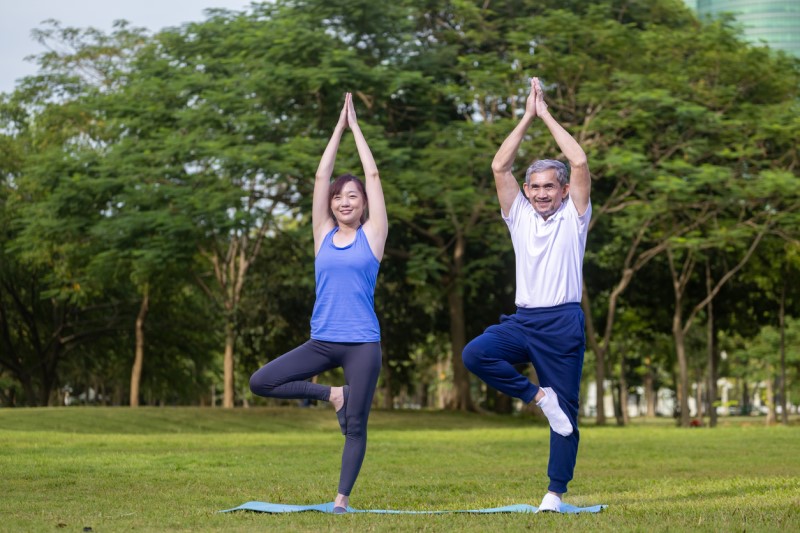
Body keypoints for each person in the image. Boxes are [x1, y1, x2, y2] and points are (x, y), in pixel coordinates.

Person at [249, 92, 387, 514]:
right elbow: (320, 175)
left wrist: (357, 129)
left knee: (357, 428)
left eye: (353, 197)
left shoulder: (373, 235)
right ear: (330, 204)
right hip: (323, 339)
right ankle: (333, 395)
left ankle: (341, 501)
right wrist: (337, 128)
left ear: (364, 205)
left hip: (362, 342)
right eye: (338, 197)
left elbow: (375, 174)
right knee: (261, 382)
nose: (345, 201)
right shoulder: (322, 234)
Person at [461, 77, 591, 513]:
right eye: (533, 186)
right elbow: (500, 167)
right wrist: (526, 115)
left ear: (562, 190)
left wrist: (547, 114)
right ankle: (539, 397)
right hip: (524, 320)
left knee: (567, 414)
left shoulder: (575, 217)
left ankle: (554, 493)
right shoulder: (518, 215)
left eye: (547, 187)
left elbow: (578, 159)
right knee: (475, 354)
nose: (539, 193)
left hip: (562, 322)